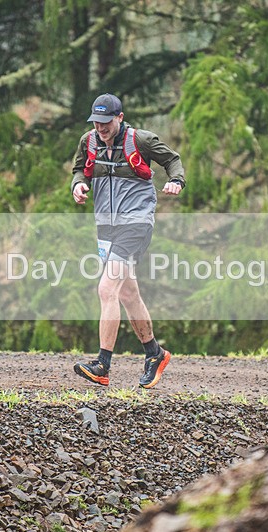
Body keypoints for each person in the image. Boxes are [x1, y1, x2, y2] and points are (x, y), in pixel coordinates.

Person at [70, 93, 185, 388]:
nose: (101, 128)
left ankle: (102, 365)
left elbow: (172, 160)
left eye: (106, 122)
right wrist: (79, 184)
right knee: (127, 294)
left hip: (136, 222)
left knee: (107, 288)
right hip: (106, 226)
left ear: (119, 118)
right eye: (96, 122)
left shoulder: (141, 140)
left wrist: (176, 181)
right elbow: (78, 170)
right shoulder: (89, 141)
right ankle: (154, 354)